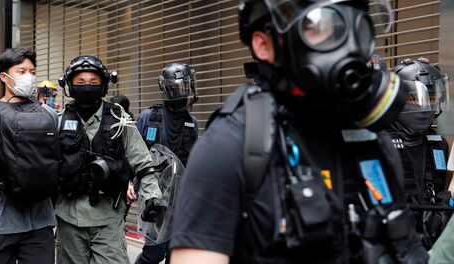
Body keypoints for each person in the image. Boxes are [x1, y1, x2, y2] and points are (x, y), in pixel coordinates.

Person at [170, 0, 428, 263]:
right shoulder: (229, 147)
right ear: (263, 45)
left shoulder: (375, 145)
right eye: (320, 25)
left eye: (356, 24)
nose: (346, 42)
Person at [56, 55, 162, 264]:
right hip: (68, 217)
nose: (87, 87)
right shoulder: (58, 120)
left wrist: (151, 196)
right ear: (69, 85)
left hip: (108, 218)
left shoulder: (119, 118)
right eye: (80, 83)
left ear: (104, 86)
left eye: (94, 83)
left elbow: (142, 161)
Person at [0, 48, 59, 264]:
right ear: (4, 77)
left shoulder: (49, 114)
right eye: (22, 71)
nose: (29, 76)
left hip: (40, 219)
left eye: (32, 71)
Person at [133, 62, 199, 264]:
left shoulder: (192, 123)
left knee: (177, 252)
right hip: (154, 193)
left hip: (181, 197)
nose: (181, 92)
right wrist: (130, 183)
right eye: (175, 88)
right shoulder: (148, 117)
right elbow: (133, 154)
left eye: (184, 87)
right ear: (166, 89)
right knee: (154, 251)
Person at [386, 58, 451, 249]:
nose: (426, 106)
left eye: (431, 98)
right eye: (414, 98)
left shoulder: (438, 145)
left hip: (433, 242)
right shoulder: (378, 145)